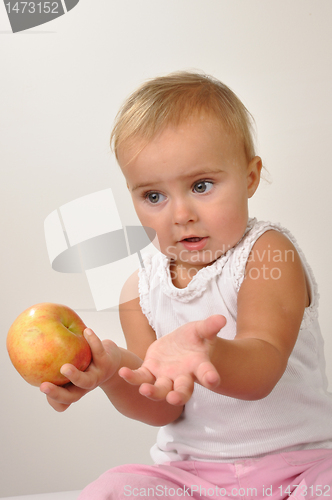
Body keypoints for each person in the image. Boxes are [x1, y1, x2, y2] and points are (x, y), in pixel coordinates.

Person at [40, 71, 332, 499]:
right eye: (153, 196)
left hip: (297, 468)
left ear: (250, 176)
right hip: (192, 476)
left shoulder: (268, 254)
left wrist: (207, 351)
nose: (180, 213)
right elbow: (160, 405)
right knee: (113, 489)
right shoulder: (139, 292)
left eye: (201, 186)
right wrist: (111, 373)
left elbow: (263, 367)